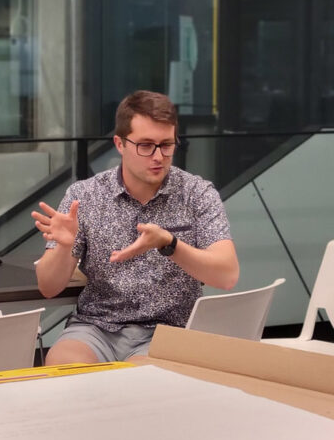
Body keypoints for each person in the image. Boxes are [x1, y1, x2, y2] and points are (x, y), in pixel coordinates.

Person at [32, 91, 239, 366]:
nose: (158, 156)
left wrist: (169, 244)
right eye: (146, 145)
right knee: (63, 366)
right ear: (120, 144)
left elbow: (227, 275)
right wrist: (65, 246)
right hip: (96, 326)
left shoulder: (196, 193)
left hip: (168, 331)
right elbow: (48, 287)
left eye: (166, 145)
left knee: (139, 381)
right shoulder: (85, 195)